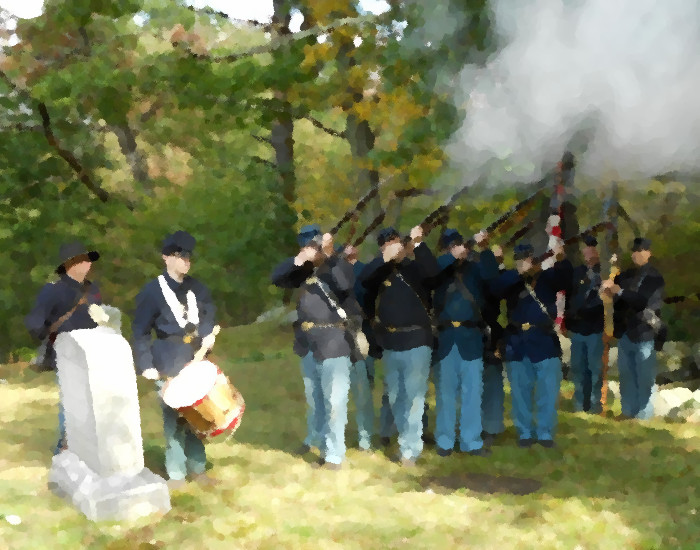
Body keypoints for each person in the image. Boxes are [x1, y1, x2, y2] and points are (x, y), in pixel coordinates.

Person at [131, 230, 218, 489]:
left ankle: (198, 468)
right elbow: (140, 331)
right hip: (167, 360)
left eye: (188, 257)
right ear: (165, 258)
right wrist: (146, 365)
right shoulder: (151, 292)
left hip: (195, 359)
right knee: (174, 421)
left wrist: (207, 336)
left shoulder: (198, 288)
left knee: (198, 417)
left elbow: (208, 313)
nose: (185, 261)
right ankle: (177, 474)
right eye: (179, 256)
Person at [272, 226, 360, 469]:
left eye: (315, 245)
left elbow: (344, 285)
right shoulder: (302, 270)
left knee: (334, 402)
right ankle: (322, 448)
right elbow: (277, 278)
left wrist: (331, 255)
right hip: (307, 342)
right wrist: (300, 259)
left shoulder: (337, 265)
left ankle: (334, 455)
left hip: (334, 340)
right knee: (317, 402)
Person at [359, 226, 438, 466]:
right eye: (386, 243)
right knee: (396, 398)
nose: (392, 246)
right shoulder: (378, 273)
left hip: (417, 339)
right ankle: (407, 442)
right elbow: (363, 281)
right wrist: (384, 258)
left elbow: (434, 274)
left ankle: (409, 450)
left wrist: (419, 244)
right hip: (391, 343)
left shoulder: (414, 269)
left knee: (414, 397)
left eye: (395, 242)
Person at [489, 242, 570, 448]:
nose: (524, 261)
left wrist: (561, 258)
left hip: (544, 340)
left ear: (534, 259)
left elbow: (566, 279)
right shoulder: (512, 280)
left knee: (548, 391)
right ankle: (524, 432)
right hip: (518, 342)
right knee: (520, 392)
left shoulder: (547, 278)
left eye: (527, 258)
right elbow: (496, 289)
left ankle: (545, 433)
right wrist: (519, 273)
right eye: (519, 259)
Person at [25, 241, 102, 455]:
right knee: (71, 400)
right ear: (70, 264)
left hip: (93, 351)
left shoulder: (92, 289)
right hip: (66, 352)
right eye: (82, 259)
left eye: (88, 259)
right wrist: (51, 339)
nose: (87, 264)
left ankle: (87, 446)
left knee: (92, 400)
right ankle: (66, 448)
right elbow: (35, 322)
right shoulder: (52, 290)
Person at [430, 229, 499, 457]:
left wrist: (485, 248)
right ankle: (445, 441)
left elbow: (491, 277)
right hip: (447, 336)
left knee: (472, 393)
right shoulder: (440, 267)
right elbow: (430, 274)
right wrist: (452, 257)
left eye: (459, 246)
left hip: (471, 337)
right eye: (452, 246)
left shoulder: (474, 268)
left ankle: (472, 441)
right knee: (446, 394)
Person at [603, 237, 665, 420]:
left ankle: (644, 416)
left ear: (649, 253)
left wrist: (618, 291)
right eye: (635, 251)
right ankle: (628, 412)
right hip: (626, 331)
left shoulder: (655, 277)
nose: (638, 254)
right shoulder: (626, 275)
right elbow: (618, 303)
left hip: (644, 331)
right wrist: (609, 294)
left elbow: (641, 301)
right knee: (627, 376)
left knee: (644, 377)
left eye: (642, 251)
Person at [565, 235, 605, 413]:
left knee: (595, 370)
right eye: (587, 249)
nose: (589, 252)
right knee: (579, 368)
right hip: (578, 328)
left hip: (595, 328)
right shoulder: (577, 272)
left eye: (593, 249)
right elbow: (568, 297)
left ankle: (595, 405)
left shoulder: (604, 273)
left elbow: (606, 301)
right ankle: (580, 405)